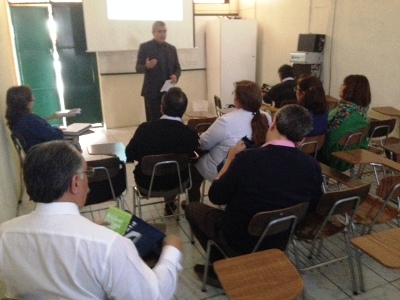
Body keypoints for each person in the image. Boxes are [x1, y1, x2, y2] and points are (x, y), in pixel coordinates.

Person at [0, 141, 183, 299]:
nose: (88, 181)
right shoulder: (110, 245)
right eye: (86, 173)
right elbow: (153, 295)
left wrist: (89, 231)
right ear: (75, 183)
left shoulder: (5, 234)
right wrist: (172, 252)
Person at [185, 104, 323, 287]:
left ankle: (222, 267)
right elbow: (314, 204)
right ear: (302, 138)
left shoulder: (247, 159)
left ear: (272, 125)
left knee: (193, 208)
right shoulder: (311, 166)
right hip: (280, 238)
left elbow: (216, 196)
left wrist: (229, 160)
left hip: (241, 239)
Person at [189, 80, 271, 203]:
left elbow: (204, 143)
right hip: (253, 169)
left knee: (193, 166)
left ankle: (193, 204)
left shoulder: (225, 121)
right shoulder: (266, 117)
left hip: (225, 169)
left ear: (238, 100)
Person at [125, 87, 198, 215]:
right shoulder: (190, 133)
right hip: (179, 183)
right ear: (184, 110)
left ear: (161, 108)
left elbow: (129, 154)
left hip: (147, 185)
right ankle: (170, 203)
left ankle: (169, 204)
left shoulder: (145, 130)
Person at [321, 75, 371, 171]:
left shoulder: (342, 112)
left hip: (331, 156)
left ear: (351, 90)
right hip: (351, 156)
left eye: (343, 84)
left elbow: (327, 133)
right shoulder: (362, 114)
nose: (340, 86)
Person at [136, 21, 181, 122]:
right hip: (152, 92)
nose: (162, 34)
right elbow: (138, 68)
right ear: (153, 33)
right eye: (159, 31)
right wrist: (146, 66)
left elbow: (177, 68)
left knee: (168, 120)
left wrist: (176, 76)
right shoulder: (145, 47)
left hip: (168, 92)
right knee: (153, 121)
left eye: (164, 31)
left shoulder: (171, 48)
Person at [5, 85, 64, 152]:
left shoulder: (14, 122)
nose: (34, 99)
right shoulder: (29, 119)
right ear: (25, 102)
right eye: (31, 98)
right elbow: (55, 137)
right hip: (45, 155)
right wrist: (58, 130)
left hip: (34, 157)